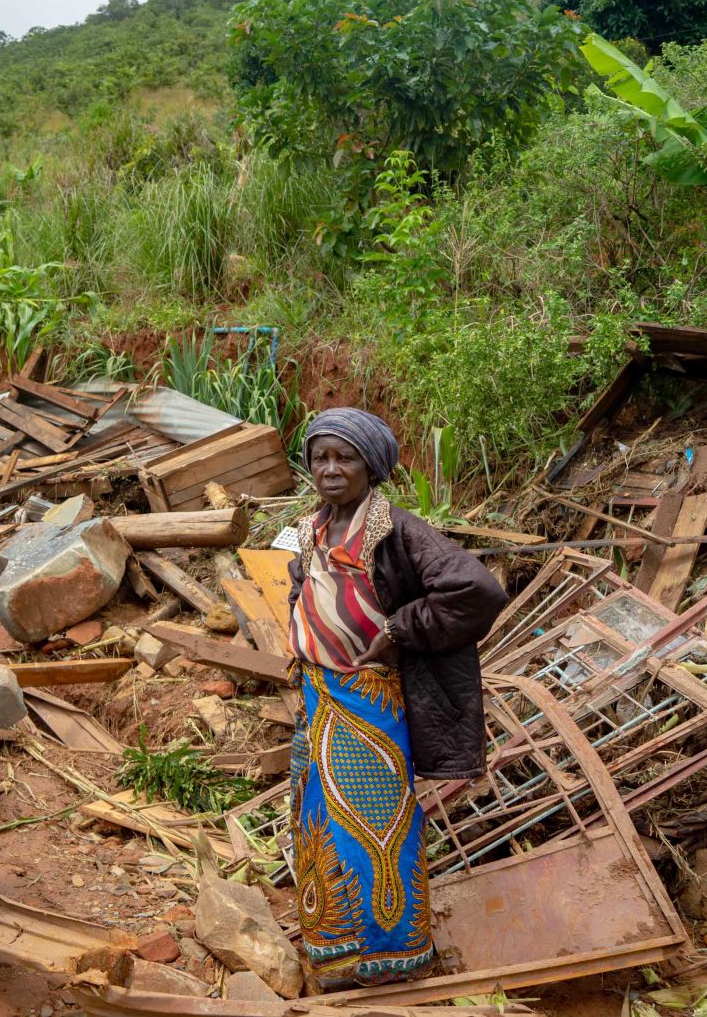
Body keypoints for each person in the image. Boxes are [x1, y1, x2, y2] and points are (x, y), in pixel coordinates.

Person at [285, 408, 507, 990]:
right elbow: (305, 589)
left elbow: (477, 589)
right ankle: (333, 951)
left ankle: (391, 957)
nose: (330, 470)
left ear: (373, 466)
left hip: (369, 703)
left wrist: (399, 632)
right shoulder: (313, 527)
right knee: (320, 824)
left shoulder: (398, 529)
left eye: (346, 458)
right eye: (320, 457)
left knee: (374, 828)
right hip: (319, 695)